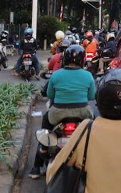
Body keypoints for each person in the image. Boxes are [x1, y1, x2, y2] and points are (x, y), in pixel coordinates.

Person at [30, 44, 97, 179]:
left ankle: (37, 165)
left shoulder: (56, 75)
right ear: (82, 59)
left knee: (46, 128)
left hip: (57, 114)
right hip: (83, 113)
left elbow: (50, 94)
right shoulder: (88, 75)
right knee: (94, 128)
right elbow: (91, 96)